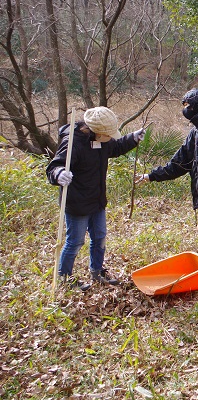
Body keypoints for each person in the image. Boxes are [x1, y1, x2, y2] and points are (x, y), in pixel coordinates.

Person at [135, 89, 198, 288]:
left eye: (188, 106)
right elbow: (180, 163)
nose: (186, 110)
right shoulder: (195, 132)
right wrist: (151, 176)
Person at [46, 107, 145, 290]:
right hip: (77, 203)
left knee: (99, 237)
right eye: (107, 134)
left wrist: (132, 138)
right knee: (75, 241)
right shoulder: (73, 143)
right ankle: (65, 279)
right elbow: (54, 166)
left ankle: (96, 271)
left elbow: (116, 147)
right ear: (96, 131)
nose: (110, 137)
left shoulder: (103, 141)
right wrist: (59, 174)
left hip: (97, 200)